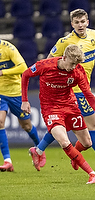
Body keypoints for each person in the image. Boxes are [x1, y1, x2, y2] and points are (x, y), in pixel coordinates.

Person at [31, 8, 95, 171]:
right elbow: (48, 62)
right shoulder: (65, 42)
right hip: (72, 91)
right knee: (94, 125)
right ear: (72, 24)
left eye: (83, 21)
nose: (80, 25)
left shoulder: (94, 35)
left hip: (84, 88)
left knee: (67, 127)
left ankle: (39, 150)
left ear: (87, 22)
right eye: (77, 22)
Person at [21, 44, 95, 184]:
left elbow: (89, 96)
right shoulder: (45, 65)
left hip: (70, 106)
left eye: (76, 64)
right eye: (72, 63)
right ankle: (91, 173)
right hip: (51, 108)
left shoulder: (78, 71)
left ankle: (69, 156)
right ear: (64, 57)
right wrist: (24, 100)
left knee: (87, 142)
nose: (73, 67)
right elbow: (25, 75)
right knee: (64, 140)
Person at [0, 39, 45, 172]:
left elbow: (23, 67)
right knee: (0, 122)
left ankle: (39, 150)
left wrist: (3, 72)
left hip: (15, 93)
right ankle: (7, 161)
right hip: (0, 94)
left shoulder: (8, 48)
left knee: (26, 125)